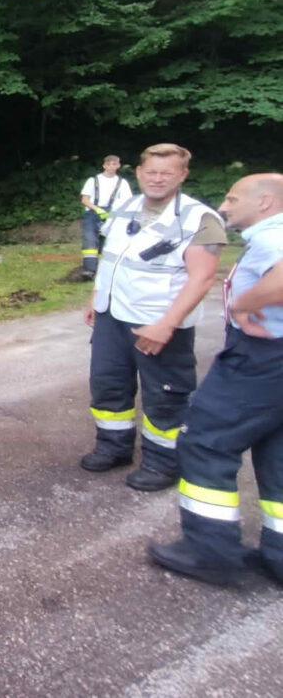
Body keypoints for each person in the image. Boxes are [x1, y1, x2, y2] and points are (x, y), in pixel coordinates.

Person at [148, 173, 283, 585]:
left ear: (264, 203)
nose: (224, 206)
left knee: (206, 440)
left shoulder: (272, 235)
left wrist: (244, 303)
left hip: (263, 358)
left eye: (232, 197)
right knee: (277, 453)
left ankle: (210, 551)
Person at [81, 144, 226, 491]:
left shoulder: (201, 218)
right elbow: (112, 256)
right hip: (111, 315)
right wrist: (96, 297)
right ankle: (113, 448)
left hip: (160, 324)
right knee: (108, 386)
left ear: (183, 175)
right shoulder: (125, 206)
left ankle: (163, 463)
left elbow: (203, 277)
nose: (157, 179)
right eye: (151, 172)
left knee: (166, 395)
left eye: (167, 172)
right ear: (140, 172)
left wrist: (167, 325)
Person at [79, 156, 133, 279]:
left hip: (112, 215)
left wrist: (115, 214)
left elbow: (127, 202)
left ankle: (110, 269)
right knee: (90, 239)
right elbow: (84, 199)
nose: (111, 167)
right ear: (104, 166)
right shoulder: (93, 180)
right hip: (93, 213)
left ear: (118, 166)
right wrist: (97, 209)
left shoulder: (122, 183)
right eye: (109, 164)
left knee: (112, 241)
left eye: (114, 164)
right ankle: (89, 271)